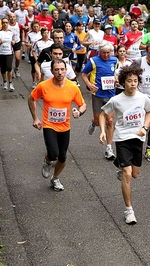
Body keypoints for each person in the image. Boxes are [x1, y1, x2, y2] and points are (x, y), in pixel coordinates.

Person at [98, 65, 150, 224]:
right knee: (128, 174)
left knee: (135, 174)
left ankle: (120, 164)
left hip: (138, 138)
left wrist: (145, 126)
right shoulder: (116, 100)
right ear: (123, 82)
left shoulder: (143, 98)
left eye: (135, 81)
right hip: (122, 138)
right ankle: (129, 210)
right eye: (129, 81)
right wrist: (103, 131)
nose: (133, 84)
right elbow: (103, 114)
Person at [28, 58, 86, 192]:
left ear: (66, 70)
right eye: (56, 70)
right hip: (49, 125)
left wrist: (79, 111)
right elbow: (31, 99)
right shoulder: (43, 86)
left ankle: (55, 178)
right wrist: (35, 118)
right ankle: (48, 162)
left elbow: (82, 104)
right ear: (52, 71)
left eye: (62, 69)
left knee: (63, 157)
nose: (60, 72)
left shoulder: (72, 87)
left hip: (65, 126)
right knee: (54, 153)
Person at [82, 40, 117, 160]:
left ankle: (109, 148)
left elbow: (115, 73)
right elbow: (84, 74)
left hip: (111, 94)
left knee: (110, 120)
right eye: (103, 53)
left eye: (108, 53)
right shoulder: (93, 61)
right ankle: (93, 123)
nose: (106, 55)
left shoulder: (115, 61)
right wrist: (89, 85)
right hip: (97, 94)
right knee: (98, 121)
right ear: (99, 52)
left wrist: (116, 80)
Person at [0, 17, 15, 91]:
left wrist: (13, 42)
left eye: (6, 22)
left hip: (9, 52)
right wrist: (0, 42)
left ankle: (10, 83)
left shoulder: (11, 32)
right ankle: (5, 82)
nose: (5, 24)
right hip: (1, 53)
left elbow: (14, 40)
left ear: (8, 23)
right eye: (4, 23)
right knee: (3, 69)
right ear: (2, 24)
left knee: (9, 67)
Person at [25, 19, 41, 87]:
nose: (36, 28)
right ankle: (34, 81)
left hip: (41, 53)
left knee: (41, 67)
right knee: (34, 68)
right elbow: (26, 43)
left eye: (37, 26)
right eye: (34, 27)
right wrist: (30, 45)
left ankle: (40, 80)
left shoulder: (41, 33)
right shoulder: (29, 34)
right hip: (33, 53)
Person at [7, 13, 23, 78]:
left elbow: (22, 31)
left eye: (13, 17)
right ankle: (11, 71)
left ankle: (16, 68)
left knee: (17, 58)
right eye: (11, 17)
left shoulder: (18, 25)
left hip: (17, 42)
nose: (12, 18)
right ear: (9, 18)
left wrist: (23, 39)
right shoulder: (7, 25)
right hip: (9, 43)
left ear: (16, 18)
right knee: (10, 58)